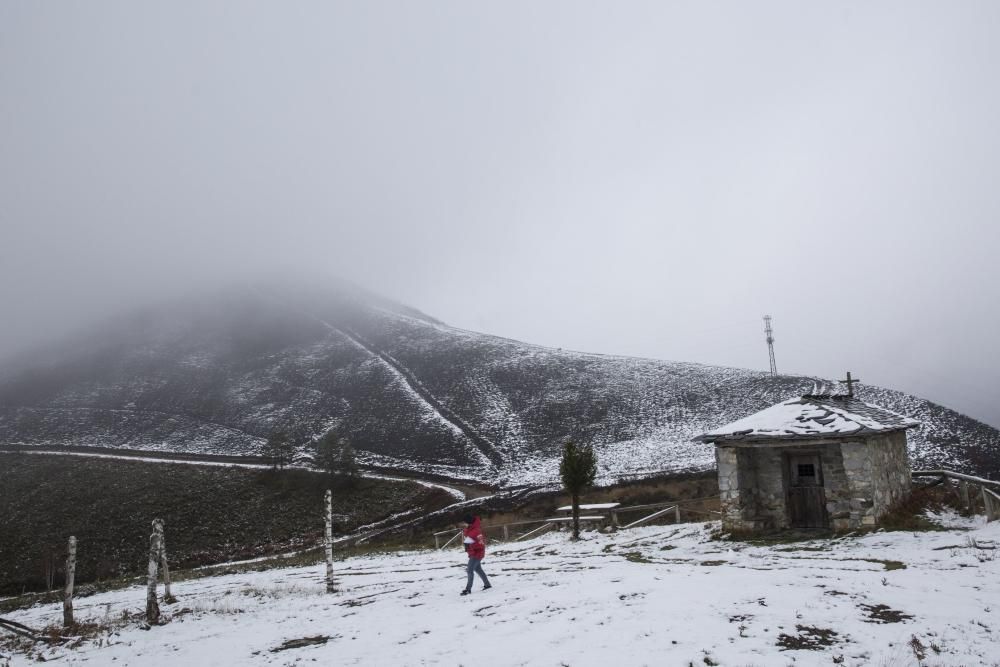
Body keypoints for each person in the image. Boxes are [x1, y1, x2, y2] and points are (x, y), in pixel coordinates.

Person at [460, 513, 491, 595]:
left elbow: (480, 543)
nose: (464, 524)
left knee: (469, 570)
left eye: (465, 522)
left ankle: (468, 589)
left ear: (469, 522)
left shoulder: (475, 531)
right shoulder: (472, 529)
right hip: (474, 553)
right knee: (478, 569)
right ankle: (487, 585)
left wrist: (471, 547)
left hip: (476, 554)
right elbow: (468, 540)